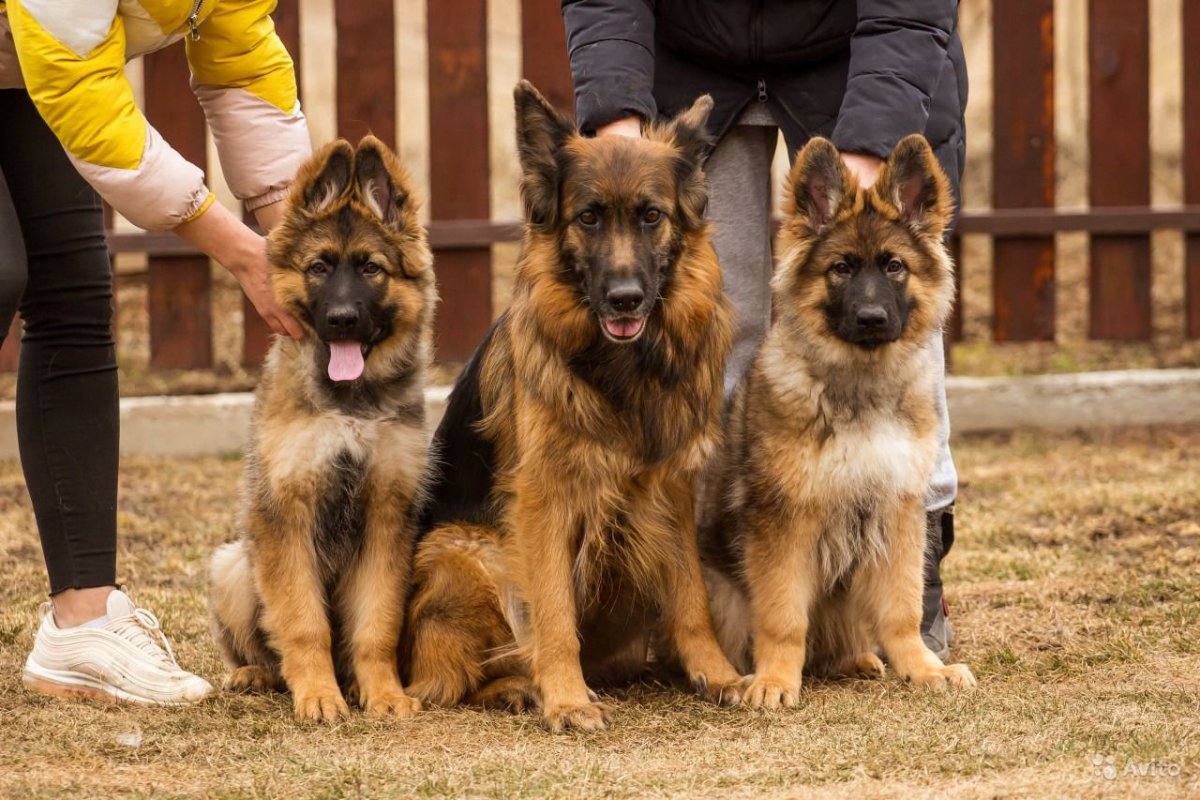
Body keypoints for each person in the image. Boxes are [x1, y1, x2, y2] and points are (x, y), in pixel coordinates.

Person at [562, 0, 967, 658]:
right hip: (690, 53)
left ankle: (913, 565)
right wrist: (618, 115)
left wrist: (871, 144)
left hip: (860, 55)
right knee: (714, 317)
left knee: (895, 321)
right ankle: (712, 584)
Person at [1, 0, 308, 704]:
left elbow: (242, 62)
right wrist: (239, 251)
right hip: (54, 55)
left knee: (74, 295)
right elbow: (88, 102)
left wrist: (300, 248)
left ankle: (81, 624)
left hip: (25, 63)